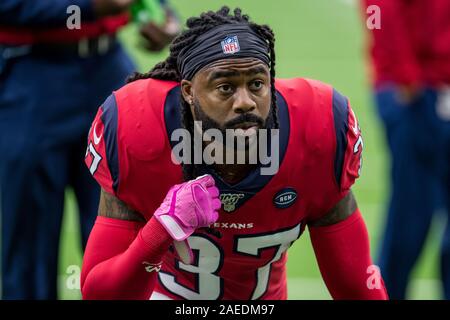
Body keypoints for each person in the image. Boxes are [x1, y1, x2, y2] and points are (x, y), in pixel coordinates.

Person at [81, 6, 388, 300]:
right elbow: (99, 294)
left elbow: (355, 285)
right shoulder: (137, 128)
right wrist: (161, 231)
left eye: (256, 84)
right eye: (225, 88)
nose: (245, 102)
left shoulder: (320, 130)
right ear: (187, 92)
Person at [0, 0, 179, 299]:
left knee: (123, 227)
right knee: (29, 242)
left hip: (107, 66)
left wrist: (160, 13)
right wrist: (87, 8)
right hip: (32, 72)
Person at [363, 0, 450, 299]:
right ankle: (387, 293)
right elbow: (377, 11)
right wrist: (405, 78)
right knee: (411, 209)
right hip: (415, 93)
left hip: (433, 88)